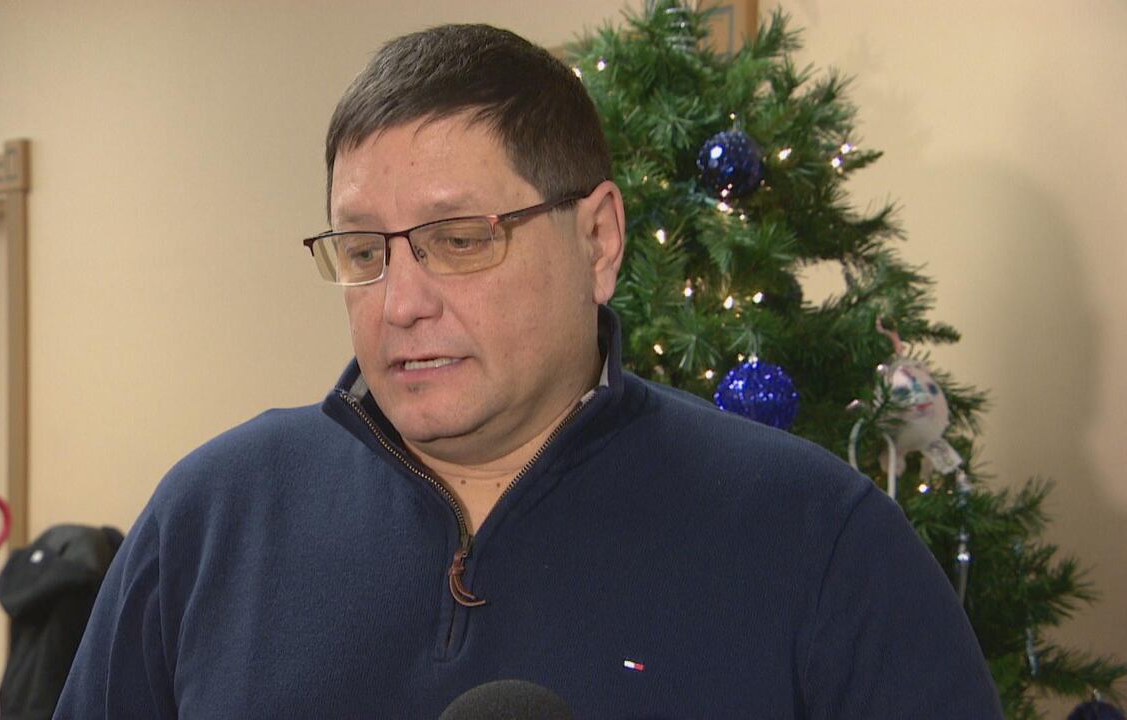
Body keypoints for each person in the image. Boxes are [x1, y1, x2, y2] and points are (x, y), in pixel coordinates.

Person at [55, 23, 1004, 719]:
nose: (399, 301)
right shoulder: (212, 514)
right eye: (362, 250)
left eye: (460, 240)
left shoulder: (819, 539)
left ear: (598, 239)